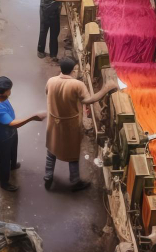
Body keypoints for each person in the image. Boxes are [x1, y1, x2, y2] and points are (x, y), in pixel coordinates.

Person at [44, 56, 116, 191]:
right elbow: (88, 100)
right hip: (70, 124)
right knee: (72, 153)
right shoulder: (77, 85)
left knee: (52, 150)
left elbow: (47, 93)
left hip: (54, 121)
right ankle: (75, 180)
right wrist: (106, 89)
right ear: (74, 70)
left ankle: (48, 176)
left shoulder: (51, 81)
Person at [0, 76, 45, 192]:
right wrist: (33, 117)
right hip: (2, 137)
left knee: (13, 151)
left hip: (11, 134)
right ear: (4, 91)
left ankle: (13, 165)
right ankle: (4, 183)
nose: (10, 92)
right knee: (3, 160)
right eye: (9, 90)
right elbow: (12, 124)